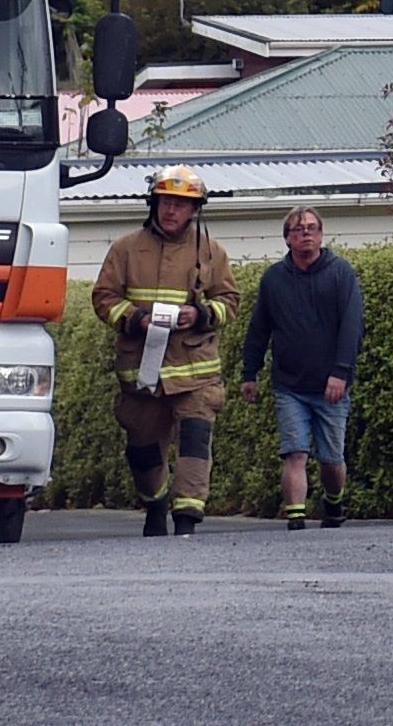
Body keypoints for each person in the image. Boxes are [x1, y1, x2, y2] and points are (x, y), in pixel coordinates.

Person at [93, 166, 242, 536]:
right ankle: (155, 502)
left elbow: (230, 301)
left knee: (195, 441)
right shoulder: (126, 249)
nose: (171, 211)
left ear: (195, 210)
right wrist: (133, 320)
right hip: (142, 374)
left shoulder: (210, 252)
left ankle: (187, 518)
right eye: (165, 202)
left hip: (196, 373)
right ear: (153, 204)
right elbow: (103, 298)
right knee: (143, 452)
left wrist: (202, 313)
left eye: (180, 204)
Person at [240, 207, 365, 528]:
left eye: (311, 228)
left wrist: (341, 373)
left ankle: (333, 501)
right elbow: (259, 329)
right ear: (287, 239)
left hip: (331, 386)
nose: (305, 234)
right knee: (295, 452)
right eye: (298, 230)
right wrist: (249, 373)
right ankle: (296, 517)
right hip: (289, 385)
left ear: (321, 235)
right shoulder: (273, 279)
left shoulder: (340, 274)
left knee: (331, 459)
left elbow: (351, 327)